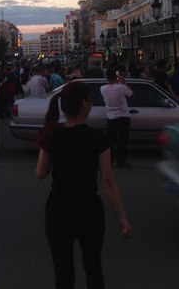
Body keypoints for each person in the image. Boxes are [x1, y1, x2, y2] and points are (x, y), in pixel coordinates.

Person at [36, 80, 132, 289]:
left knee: (63, 274)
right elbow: (108, 180)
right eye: (90, 100)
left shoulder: (51, 133)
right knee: (93, 268)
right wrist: (122, 216)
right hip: (89, 211)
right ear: (84, 104)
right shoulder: (98, 138)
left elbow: (40, 173)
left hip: (58, 211)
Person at [100, 68, 134, 168]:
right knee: (122, 141)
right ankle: (121, 162)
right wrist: (123, 82)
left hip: (111, 118)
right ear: (116, 77)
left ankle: (110, 160)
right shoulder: (121, 87)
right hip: (123, 117)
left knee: (111, 140)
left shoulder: (102, 88)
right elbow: (131, 94)